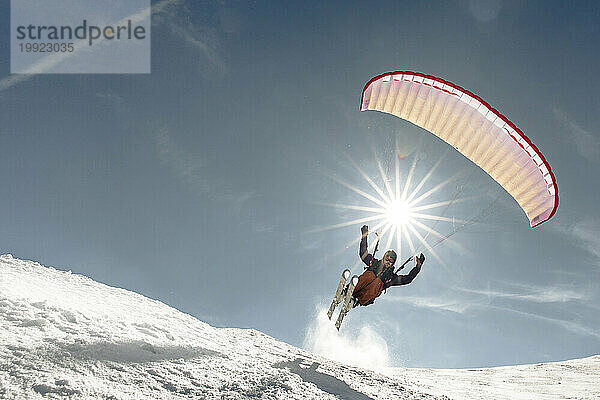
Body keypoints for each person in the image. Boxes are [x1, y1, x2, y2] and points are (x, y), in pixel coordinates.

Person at [351, 225, 424, 307]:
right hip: (360, 284)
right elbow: (363, 253)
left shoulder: (391, 277)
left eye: (391, 260)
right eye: (387, 258)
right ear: (383, 258)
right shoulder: (374, 263)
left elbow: (408, 279)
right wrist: (364, 236)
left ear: (393, 263)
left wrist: (418, 267)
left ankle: (357, 300)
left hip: (367, 296)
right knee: (370, 275)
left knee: (378, 282)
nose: (388, 261)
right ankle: (350, 290)